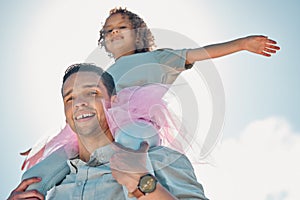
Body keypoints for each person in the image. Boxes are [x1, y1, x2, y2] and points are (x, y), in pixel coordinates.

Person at [8, 63, 209, 199]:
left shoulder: (162, 159)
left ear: (113, 103)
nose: (79, 103)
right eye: (70, 98)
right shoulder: (54, 187)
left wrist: (143, 184)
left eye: (92, 92)